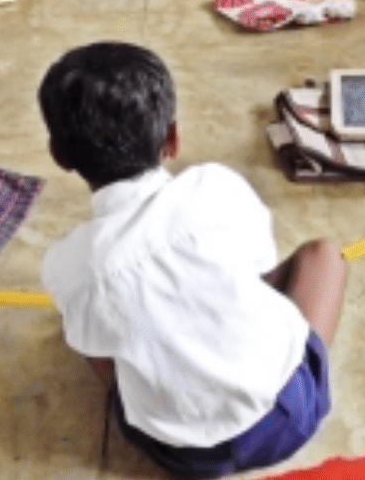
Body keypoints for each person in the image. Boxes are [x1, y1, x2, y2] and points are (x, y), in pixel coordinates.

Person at [39, 42, 348, 479]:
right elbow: (261, 266)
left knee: (85, 331)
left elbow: (99, 348)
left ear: (59, 155)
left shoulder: (66, 265)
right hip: (286, 419)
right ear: (173, 137)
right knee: (324, 256)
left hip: (178, 454)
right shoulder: (215, 187)